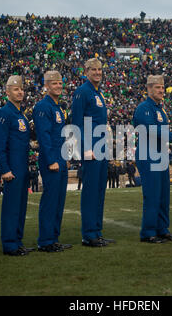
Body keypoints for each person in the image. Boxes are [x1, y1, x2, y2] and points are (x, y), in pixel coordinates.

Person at [133, 75, 172, 243]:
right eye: (157, 87)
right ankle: (148, 232)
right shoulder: (143, 108)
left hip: (161, 154)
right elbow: (149, 129)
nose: (161, 90)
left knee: (164, 194)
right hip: (148, 155)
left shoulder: (160, 109)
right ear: (149, 89)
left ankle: (163, 229)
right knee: (153, 194)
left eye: (162, 87)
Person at [71, 58, 114, 247]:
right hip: (91, 150)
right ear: (86, 71)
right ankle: (88, 234)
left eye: (100, 69)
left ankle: (97, 231)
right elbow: (77, 123)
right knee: (90, 192)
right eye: (93, 69)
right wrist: (85, 148)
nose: (97, 72)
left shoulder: (98, 93)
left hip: (102, 148)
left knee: (99, 191)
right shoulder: (82, 92)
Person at [0, 75, 33, 256]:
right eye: (16, 89)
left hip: (22, 167)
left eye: (21, 89)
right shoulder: (4, 113)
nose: (20, 92)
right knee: (11, 207)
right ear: (7, 91)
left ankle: (17, 241)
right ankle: (9, 244)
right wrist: (5, 169)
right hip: (12, 168)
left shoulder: (20, 114)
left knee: (21, 206)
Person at [33, 70, 71, 252]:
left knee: (59, 201)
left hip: (61, 159)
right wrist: (51, 160)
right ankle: (46, 240)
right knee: (50, 200)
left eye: (60, 83)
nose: (58, 86)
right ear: (46, 85)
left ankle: (54, 238)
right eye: (54, 83)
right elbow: (44, 136)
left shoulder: (58, 107)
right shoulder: (43, 107)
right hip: (52, 160)